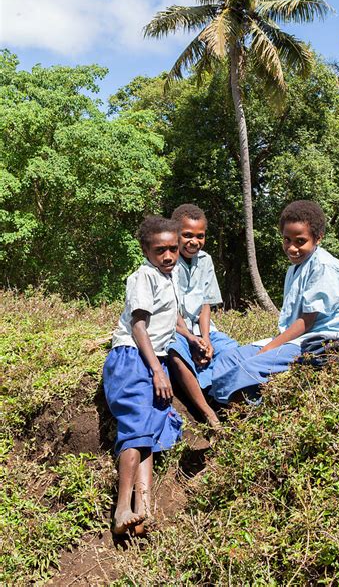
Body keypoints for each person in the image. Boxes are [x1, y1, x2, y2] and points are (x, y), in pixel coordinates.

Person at [210, 200, 339, 404]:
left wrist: (269, 348)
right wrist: (272, 344)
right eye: (287, 240)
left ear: (318, 238)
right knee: (228, 359)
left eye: (300, 241)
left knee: (250, 367)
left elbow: (308, 321)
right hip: (295, 340)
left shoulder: (325, 266)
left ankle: (248, 416)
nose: (292, 247)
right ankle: (218, 409)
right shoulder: (294, 269)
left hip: (321, 340)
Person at [103, 215, 183, 535]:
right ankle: (122, 508)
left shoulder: (169, 277)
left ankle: (144, 509)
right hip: (133, 359)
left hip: (154, 360)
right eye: (160, 249)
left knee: (149, 431)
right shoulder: (143, 277)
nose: (168, 255)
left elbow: (171, 323)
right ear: (145, 250)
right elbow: (138, 327)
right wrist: (156, 373)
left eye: (173, 249)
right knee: (136, 429)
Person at [167, 204, 238, 427]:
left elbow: (206, 304)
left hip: (201, 328)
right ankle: (207, 412)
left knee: (232, 350)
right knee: (176, 355)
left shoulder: (205, 260)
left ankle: (224, 399)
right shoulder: (166, 260)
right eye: (187, 235)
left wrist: (205, 338)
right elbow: (169, 309)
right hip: (175, 329)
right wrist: (190, 338)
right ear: (175, 234)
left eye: (200, 236)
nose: (194, 241)